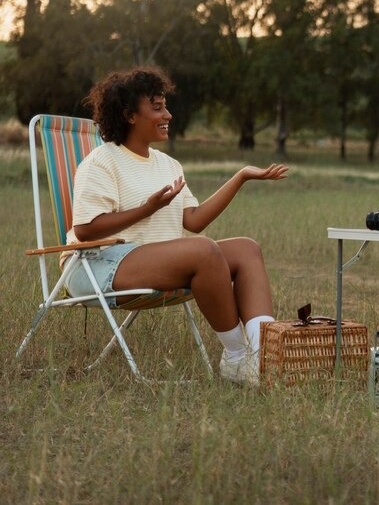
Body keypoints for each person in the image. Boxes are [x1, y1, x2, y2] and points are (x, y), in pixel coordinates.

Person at [64, 66, 288, 386]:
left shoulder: (168, 165)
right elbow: (85, 230)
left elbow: (193, 221)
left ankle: (265, 354)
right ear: (129, 115)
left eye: (166, 105)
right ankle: (238, 358)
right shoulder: (102, 161)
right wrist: (147, 209)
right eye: (157, 107)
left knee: (246, 249)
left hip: (149, 261)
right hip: (95, 265)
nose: (167, 114)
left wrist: (241, 176)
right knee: (204, 250)